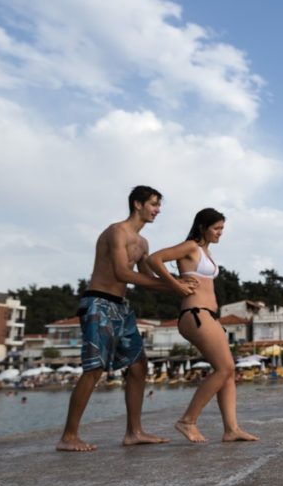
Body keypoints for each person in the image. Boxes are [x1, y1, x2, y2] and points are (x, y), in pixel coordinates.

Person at [56, 185, 195, 452]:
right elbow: (122, 272)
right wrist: (175, 285)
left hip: (120, 307)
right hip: (98, 302)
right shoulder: (116, 231)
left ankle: (134, 431)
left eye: (158, 205)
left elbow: (147, 279)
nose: (158, 210)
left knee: (138, 366)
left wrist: (176, 284)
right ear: (137, 204)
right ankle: (69, 436)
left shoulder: (143, 243)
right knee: (94, 368)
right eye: (154, 204)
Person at [148, 208, 258, 443]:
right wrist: (176, 284)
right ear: (202, 227)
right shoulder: (190, 247)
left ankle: (231, 429)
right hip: (195, 313)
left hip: (208, 316)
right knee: (225, 368)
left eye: (222, 229)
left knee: (228, 372)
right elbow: (153, 259)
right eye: (216, 228)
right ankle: (187, 421)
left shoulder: (205, 252)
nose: (220, 233)